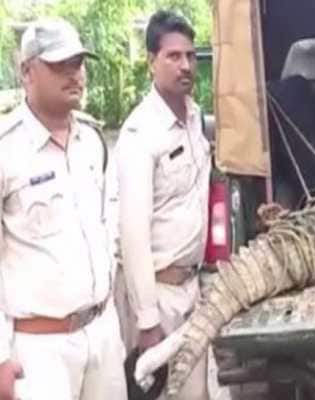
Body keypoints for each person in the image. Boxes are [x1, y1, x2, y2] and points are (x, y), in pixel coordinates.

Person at [0, 18, 127, 400]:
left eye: (79, 63)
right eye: (59, 65)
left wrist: (115, 330)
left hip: (101, 334)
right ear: (27, 72)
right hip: (40, 350)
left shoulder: (92, 141)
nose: (74, 75)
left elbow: (108, 235)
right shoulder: (7, 150)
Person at [114, 10, 210, 400]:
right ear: (151, 60)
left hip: (192, 291)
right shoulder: (139, 134)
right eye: (173, 56)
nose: (185, 65)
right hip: (159, 296)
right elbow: (132, 233)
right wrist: (148, 320)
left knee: (197, 393)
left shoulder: (194, 118)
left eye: (189, 55)